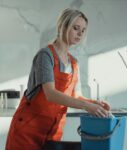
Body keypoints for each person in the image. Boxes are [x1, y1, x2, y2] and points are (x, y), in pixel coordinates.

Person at [6, 8, 110, 150]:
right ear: (62, 26)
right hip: (27, 131)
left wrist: (95, 104)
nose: (80, 34)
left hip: (52, 133)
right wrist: (87, 107)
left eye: (83, 30)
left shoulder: (73, 63)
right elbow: (51, 94)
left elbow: (74, 96)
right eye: (76, 28)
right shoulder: (45, 56)